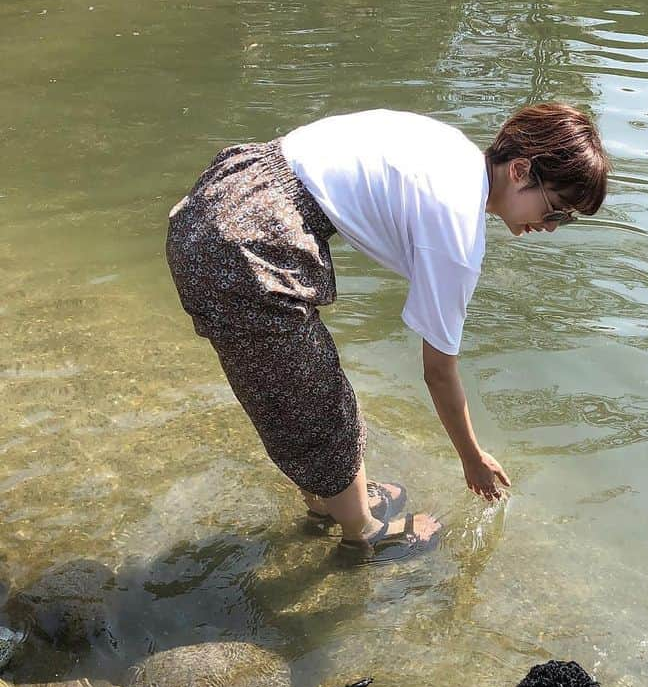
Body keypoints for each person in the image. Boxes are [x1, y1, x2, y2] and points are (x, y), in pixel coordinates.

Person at [166, 104, 609, 562]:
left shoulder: (451, 147)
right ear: (520, 171)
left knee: (294, 387)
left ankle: (327, 503)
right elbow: (439, 372)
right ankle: (364, 533)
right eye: (556, 210)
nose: (552, 227)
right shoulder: (458, 235)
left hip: (228, 194)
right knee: (316, 403)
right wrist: (472, 458)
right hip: (245, 246)